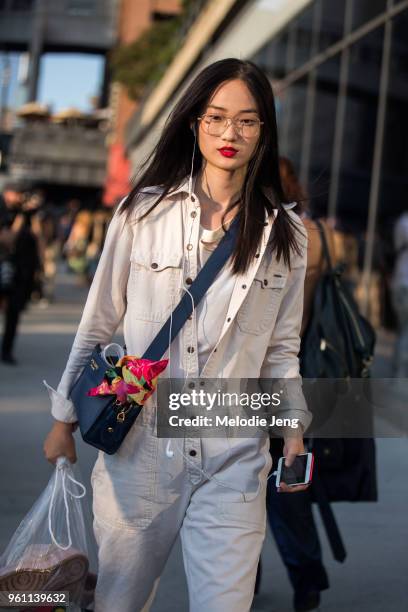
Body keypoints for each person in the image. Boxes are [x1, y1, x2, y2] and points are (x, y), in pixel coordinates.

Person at [43, 59, 312, 612]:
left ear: (264, 130)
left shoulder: (286, 233)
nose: (229, 134)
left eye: (247, 121)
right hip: (141, 450)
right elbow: (97, 321)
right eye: (216, 118)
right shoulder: (144, 212)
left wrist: (292, 433)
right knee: (120, 602)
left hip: (233, 453)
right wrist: (62, 420)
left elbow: (282, 349)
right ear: (194, 122)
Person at [265, 158, 335, 612]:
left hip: (266, 371)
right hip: (306, 373)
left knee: (243, 487)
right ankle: (307, 579)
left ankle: (241, 582)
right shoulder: (325, 237)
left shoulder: (278, 234)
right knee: (288, 486)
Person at [0, 182, 40, 364]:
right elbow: (8, 240)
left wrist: (33, 216)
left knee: (14, 312)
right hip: (3, 267)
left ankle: (6, 351)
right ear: (8, 193)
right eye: (18, 194)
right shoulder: (3, 210)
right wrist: (21, 217)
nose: (20, 198)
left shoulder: (28, 214)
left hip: (21, 271)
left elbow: (39, 238)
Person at [391, 211, 408, 377]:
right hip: (404, 283)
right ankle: (400, 369)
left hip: (400, 282)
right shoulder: (404, 222)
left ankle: (398, 366)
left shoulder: (402, 221)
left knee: (403, 328)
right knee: (405, 329)